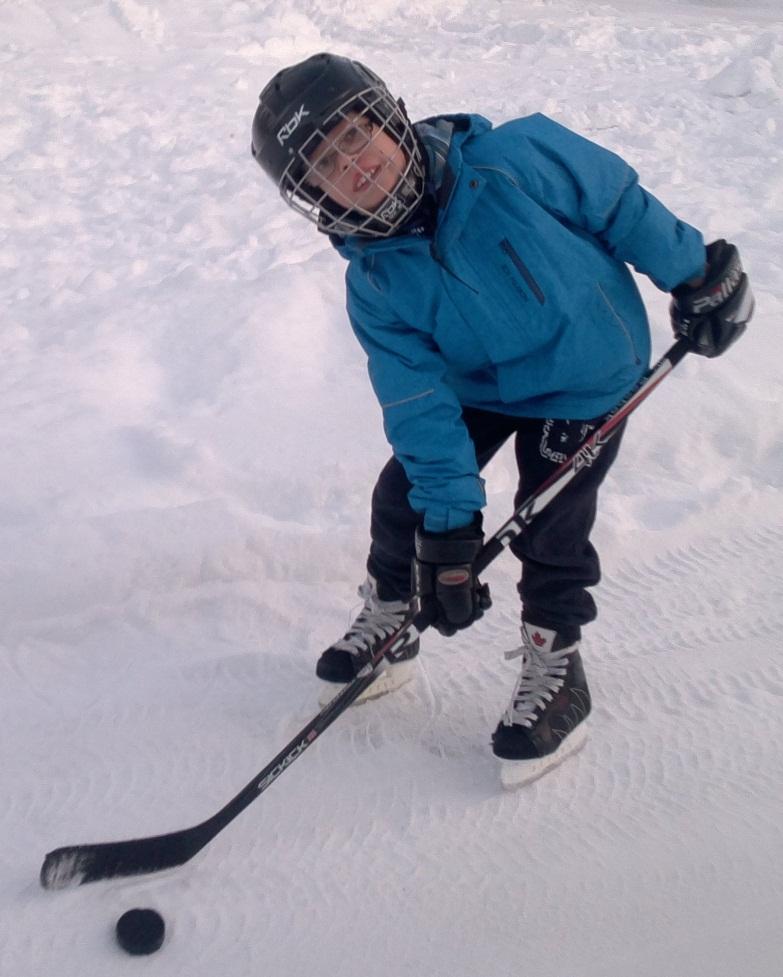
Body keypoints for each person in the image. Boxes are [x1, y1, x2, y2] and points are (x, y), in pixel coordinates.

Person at [249, 53, 753, 787]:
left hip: (585, 374)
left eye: (353, 137)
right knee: (402, 501)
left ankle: (557, 661)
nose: (351, 168)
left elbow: (621, 207)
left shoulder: (517, 155)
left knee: (547, 519)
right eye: (324, 164)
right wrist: (447, 533)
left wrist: (695, 273)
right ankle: (393, 617)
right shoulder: (373, 282)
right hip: (479, 384)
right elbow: (418, 406)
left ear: (388, 117)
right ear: (311, 196)